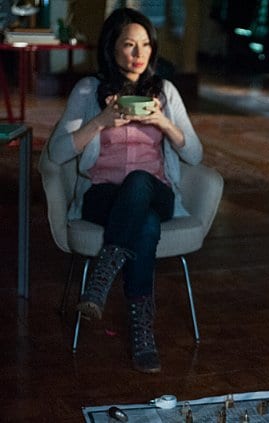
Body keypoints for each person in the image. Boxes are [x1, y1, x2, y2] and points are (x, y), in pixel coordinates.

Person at [47, 7, 203, 373]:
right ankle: (142, 332)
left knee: (139, 181)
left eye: (145, 45)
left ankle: (103, 274)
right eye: (129, 44)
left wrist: (163, 122)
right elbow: (56, 153)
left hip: (157, 192)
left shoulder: (164, 92)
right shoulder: (89, 91)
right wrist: (101, 121)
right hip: (102, 196)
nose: (138, 54)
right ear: (111, 48)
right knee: (144, 225)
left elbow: (195, 154)